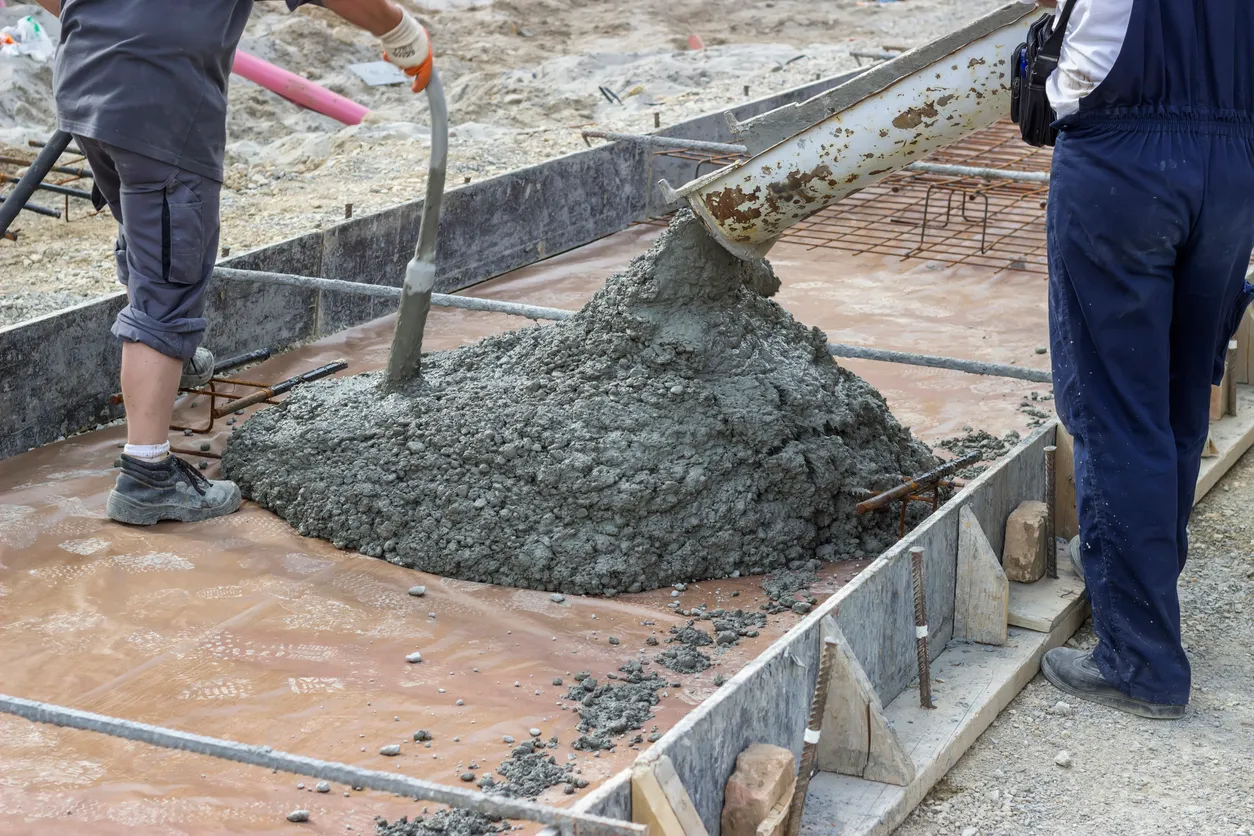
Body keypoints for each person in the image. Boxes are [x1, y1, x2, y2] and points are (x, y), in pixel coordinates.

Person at [32, 0, 434, 525]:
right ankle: (147, 476)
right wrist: (401, 30)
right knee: (169, 278)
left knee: (148, 237)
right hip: (162, 99)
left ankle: (169, 368)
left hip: (87, 81)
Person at [1023, 0, 1254, 718]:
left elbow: (1069, 46)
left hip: (1124, 160)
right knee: (1180, 395)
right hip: (1232, 163)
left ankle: (1140, 661)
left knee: (1117, 408)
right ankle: (1145, 581)